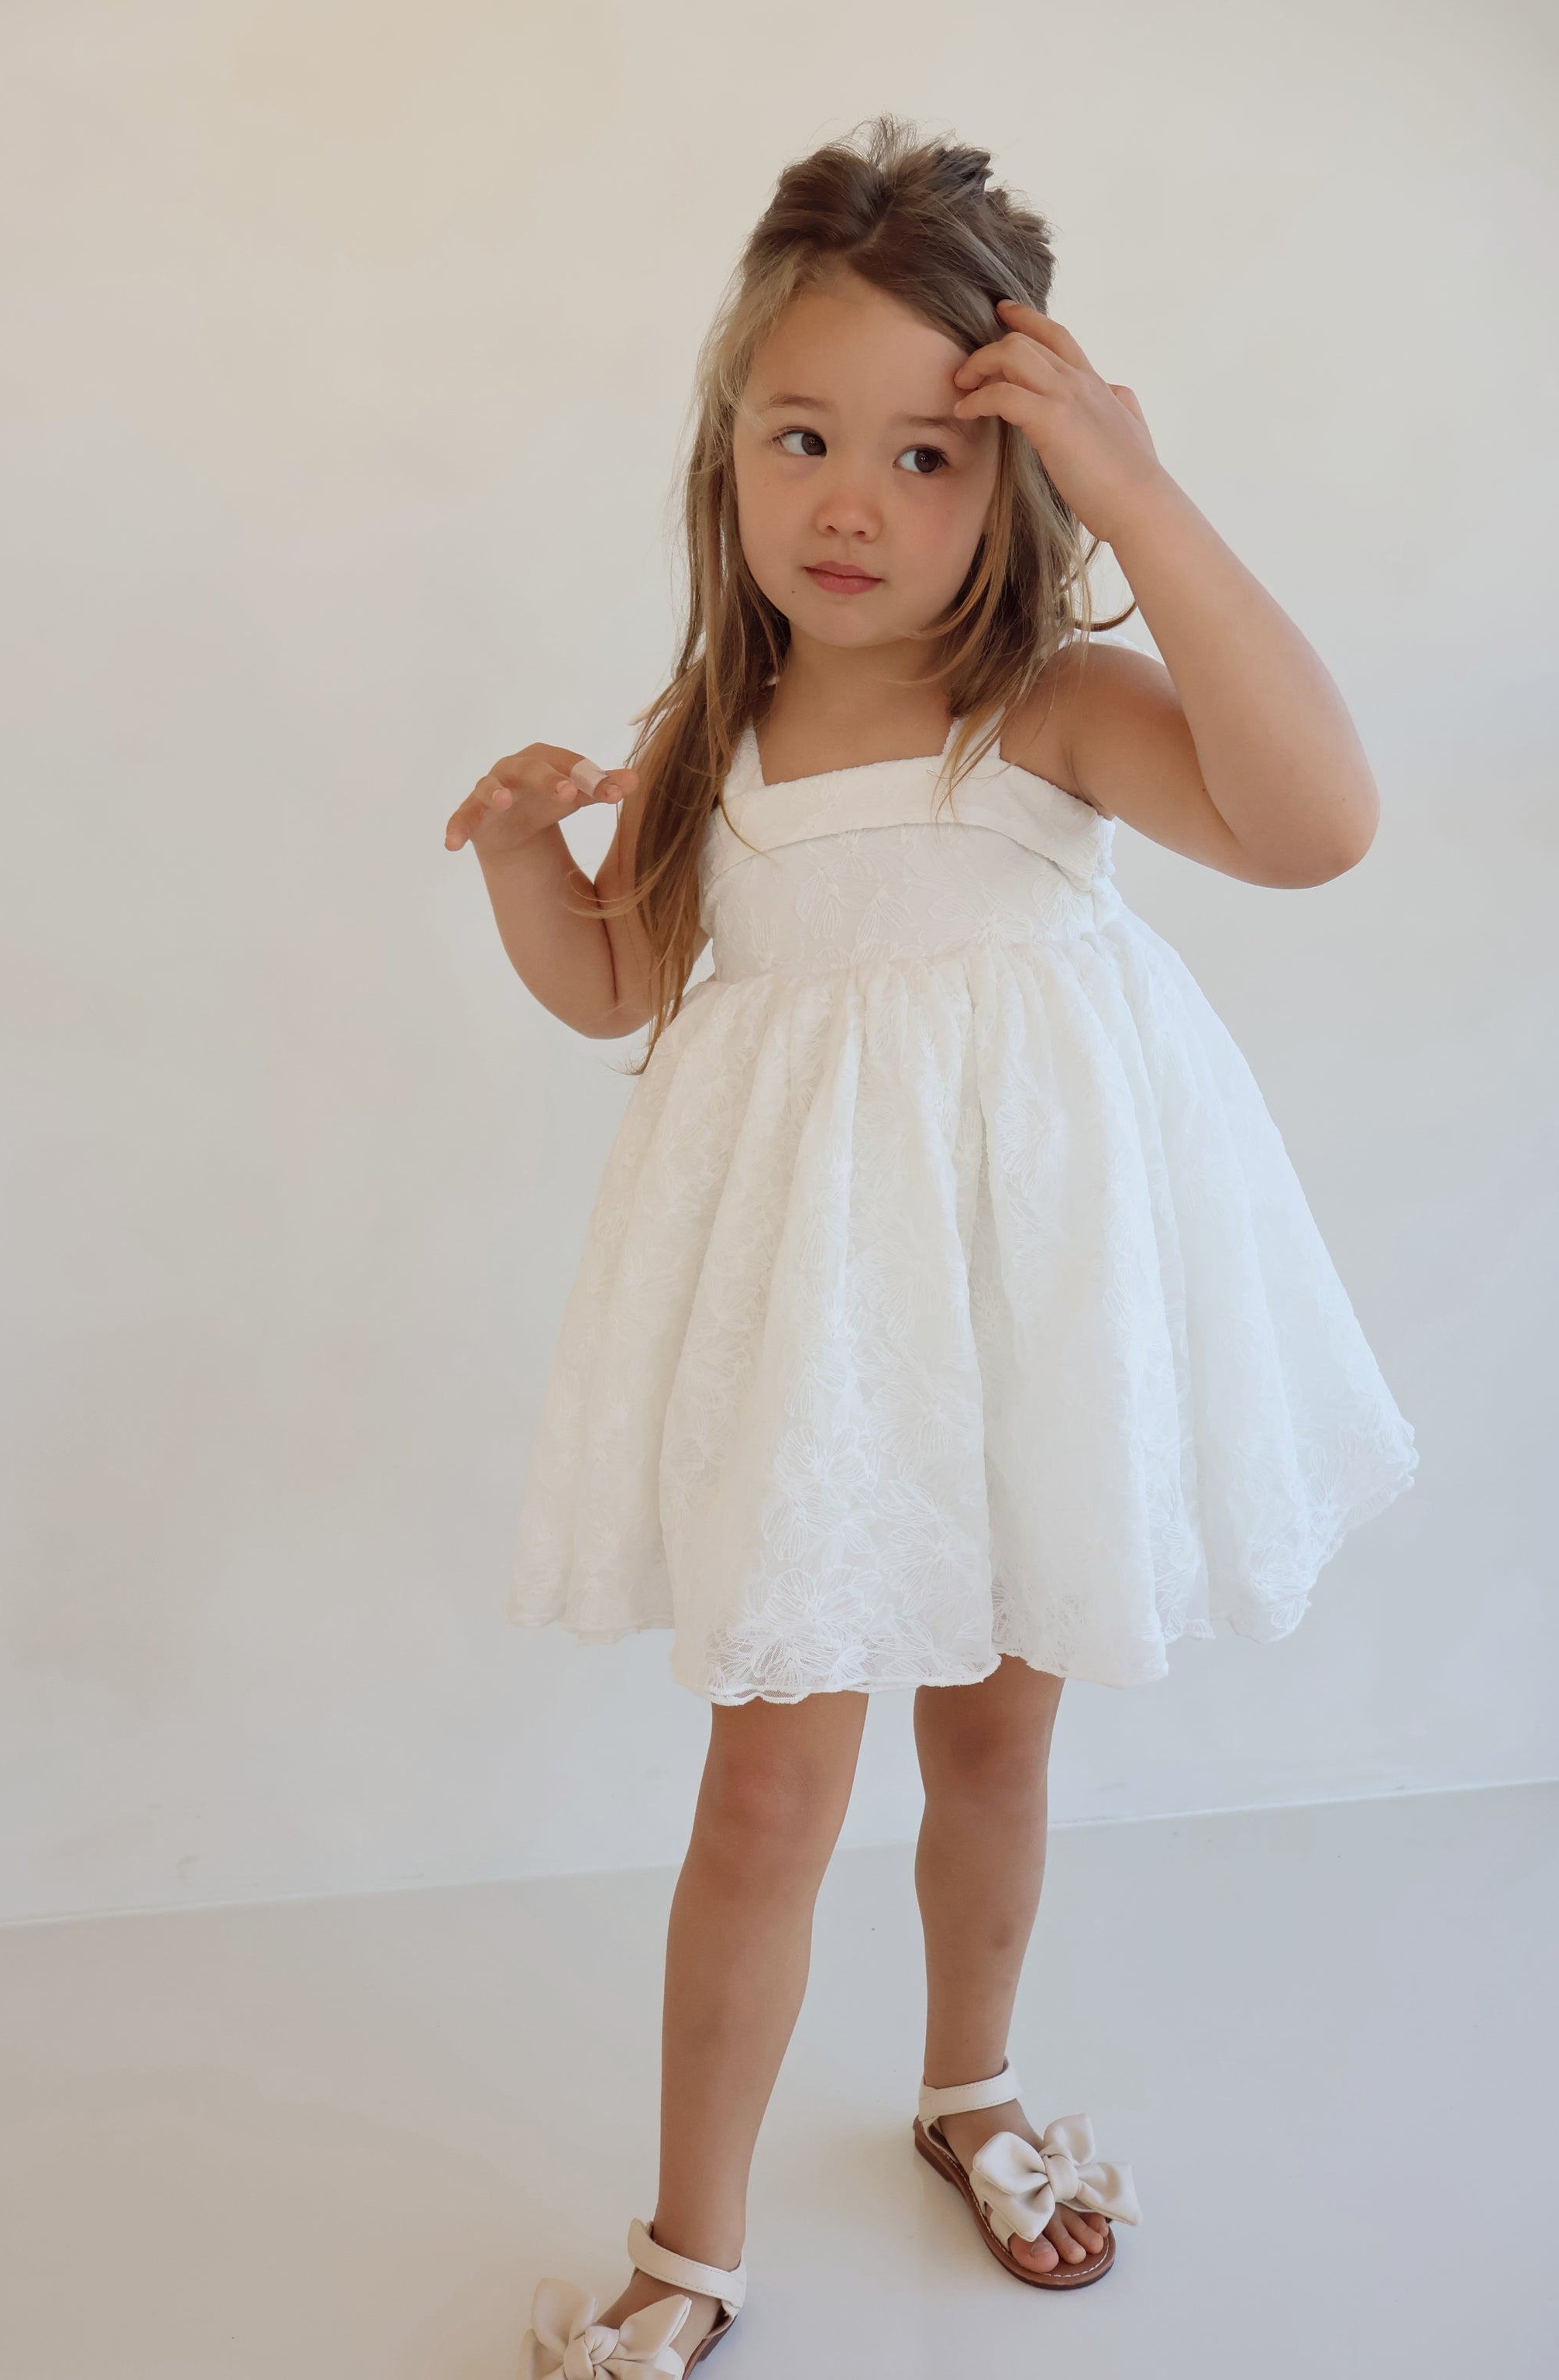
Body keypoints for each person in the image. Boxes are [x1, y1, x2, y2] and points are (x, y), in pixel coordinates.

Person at [445, 115, 1417, 2380]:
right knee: (767, 1790)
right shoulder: (718, 734)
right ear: (728, 447)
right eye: (804, 438)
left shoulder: (1045, 707)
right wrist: (517, 865)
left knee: (994, 1750)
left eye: (927, 454)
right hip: (825, 1351)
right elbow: (619, 980)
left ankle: (971, 2087)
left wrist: (1144, 494)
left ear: (1019, 484)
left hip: (1027, 1325)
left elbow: (1319, 824)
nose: (854, 503)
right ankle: (693, 2241)